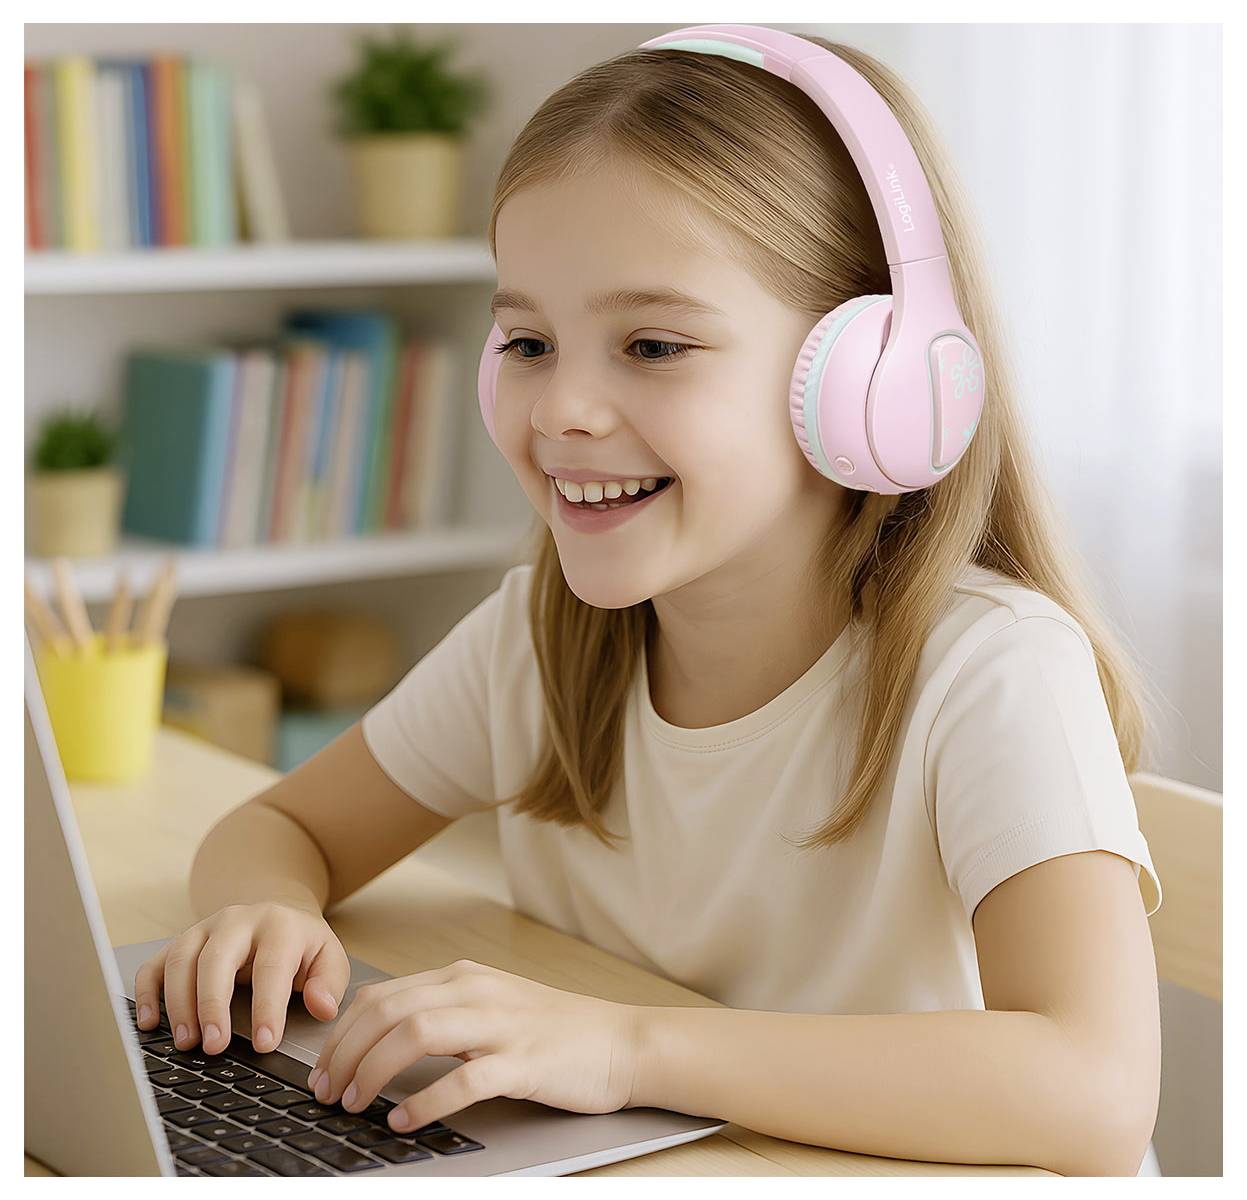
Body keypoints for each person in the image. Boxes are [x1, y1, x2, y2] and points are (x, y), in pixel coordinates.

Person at [135, 31, 1164, 1175]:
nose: (563, 408)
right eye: (526, 340)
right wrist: (265, 916)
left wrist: (629, 1050)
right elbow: (277, 829)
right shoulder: (538, 641)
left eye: (653, 344)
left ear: (876, 376)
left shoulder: (990, 673)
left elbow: (1094, 1092)